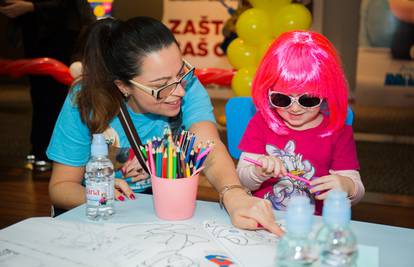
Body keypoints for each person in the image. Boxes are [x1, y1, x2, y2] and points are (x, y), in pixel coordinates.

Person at [46, 16, 283, 235]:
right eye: (161, 85)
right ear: (123, 86)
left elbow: (209, 149)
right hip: (96, 216)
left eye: (181, 73)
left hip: (157, 209)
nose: (179, 90)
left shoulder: (186, 85)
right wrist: (100, 193)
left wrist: (235, 195)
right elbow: (61, 186)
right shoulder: (85, 100)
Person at [236, 30, 365, 215]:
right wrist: (257, 172)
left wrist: (346, 186)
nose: (295, 109)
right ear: (267, 92)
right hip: (263, 217)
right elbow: (242, 180)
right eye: (281, 99)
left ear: (327, 93)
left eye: (308, 100)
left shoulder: (338, 132)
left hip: (312, 223)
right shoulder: (261, 123)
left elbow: (358, 190)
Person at [0, 0, 95, 171]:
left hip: (61, 32)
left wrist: (31, 6)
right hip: (36, 31)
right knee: (40, 94)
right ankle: (40, 149)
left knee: (57, 96)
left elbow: (68, 6)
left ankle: (53, 154)